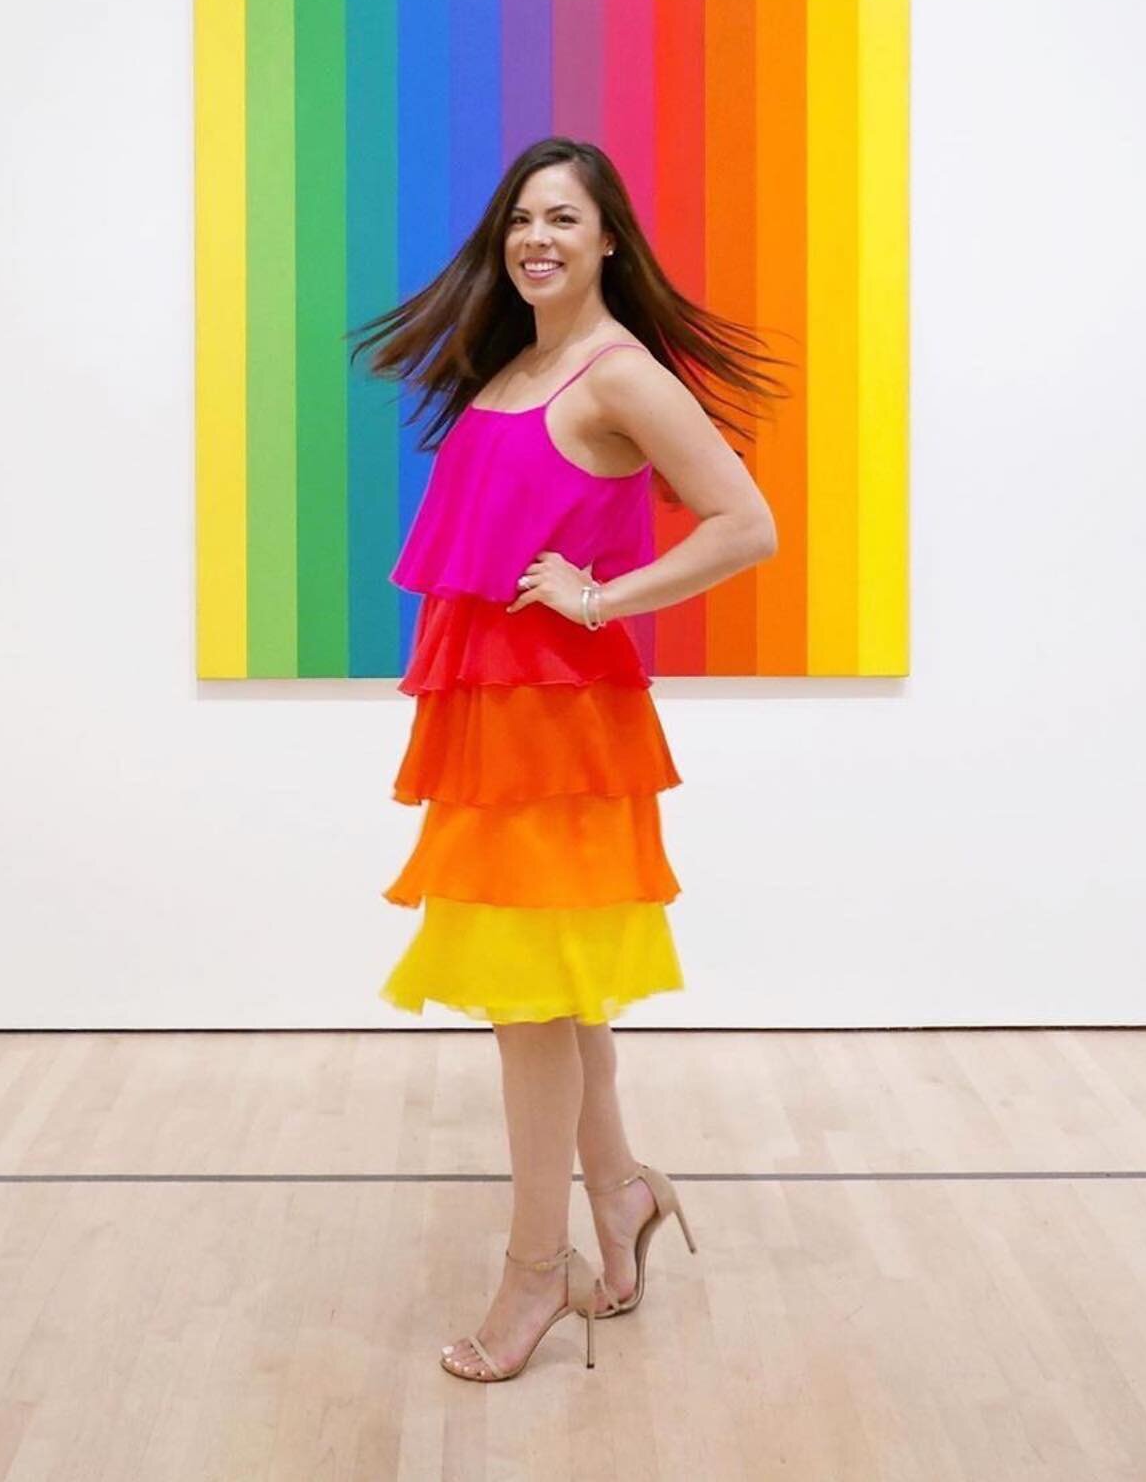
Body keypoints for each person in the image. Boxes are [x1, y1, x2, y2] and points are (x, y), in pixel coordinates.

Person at [351, 136, 786, 1382]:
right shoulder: (516, 367)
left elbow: (747, 524)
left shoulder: (618, 374)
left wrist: (604, 601)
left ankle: (534, 1272)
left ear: (609, 241)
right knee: (556, 992)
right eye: (520, 220)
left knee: (530, 1003)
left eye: (564, 218)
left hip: (562, 730)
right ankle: (623, 1196)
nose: (537, 237)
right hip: (492, 724)